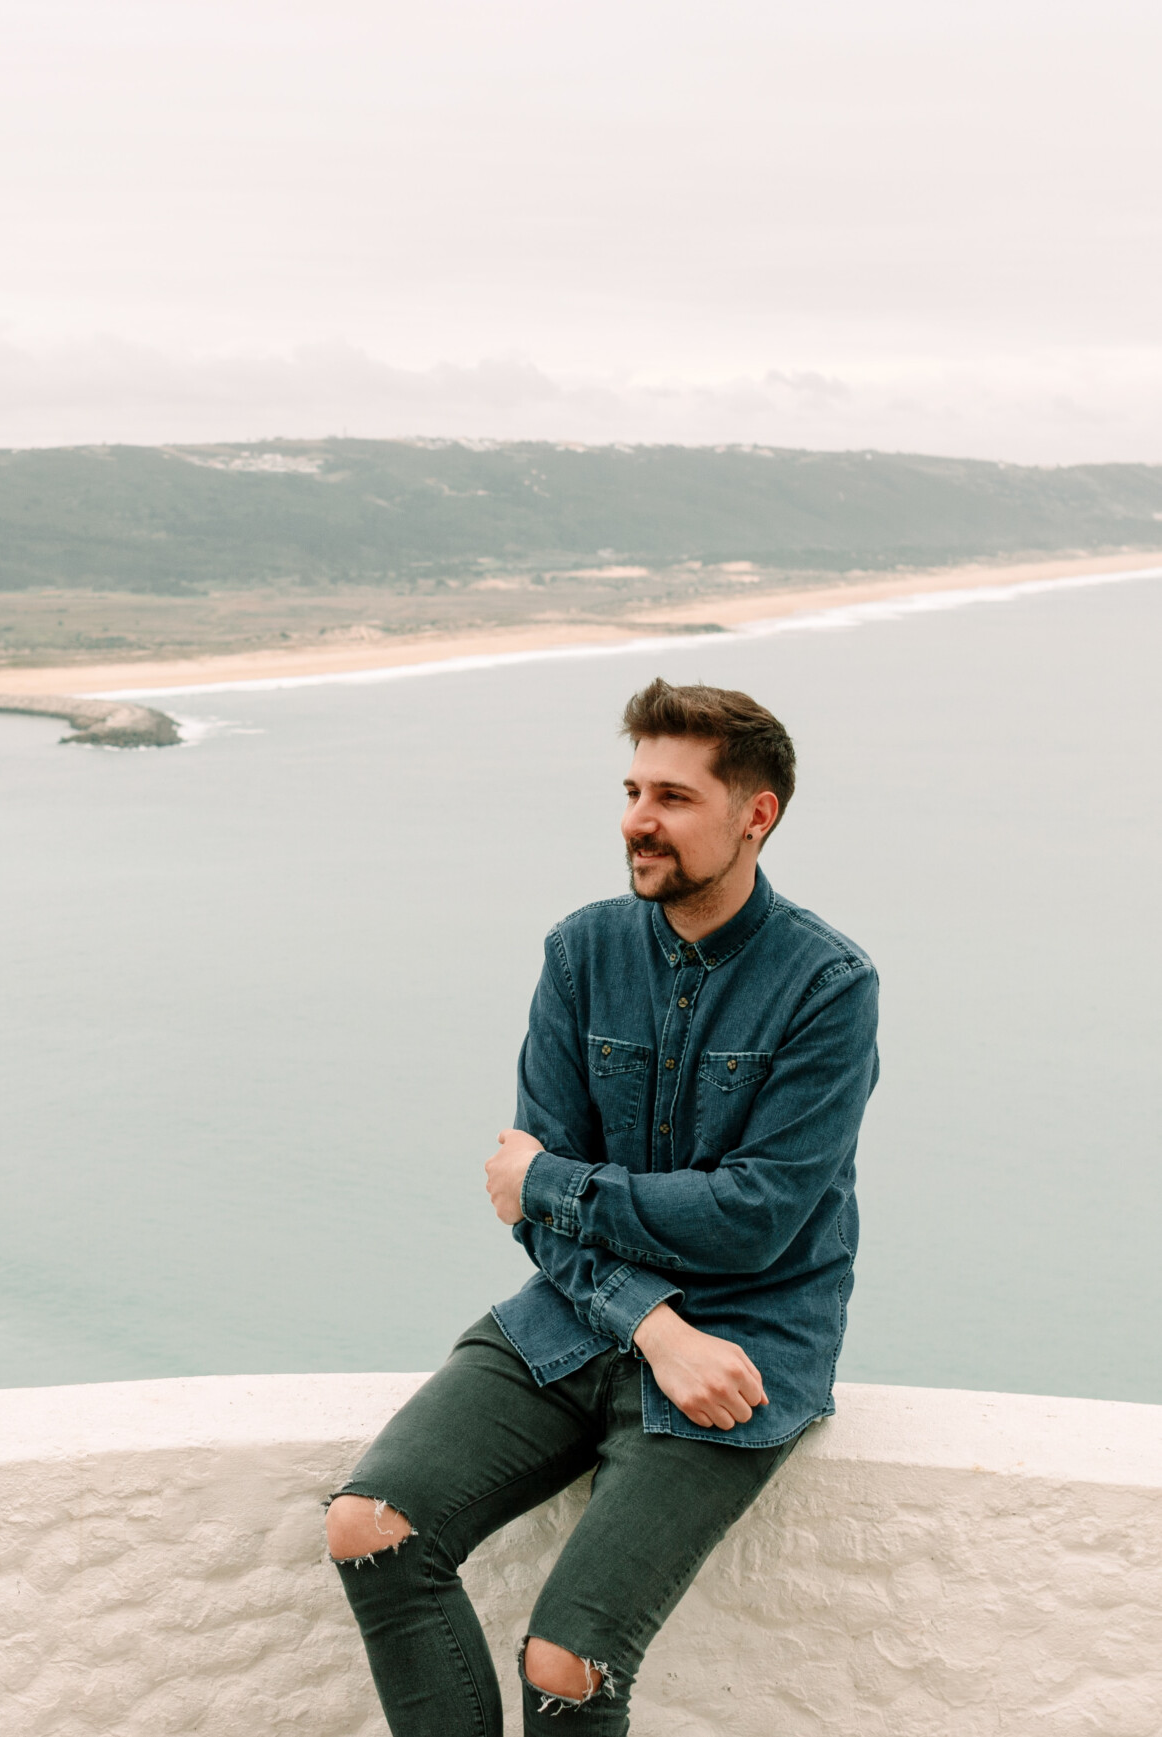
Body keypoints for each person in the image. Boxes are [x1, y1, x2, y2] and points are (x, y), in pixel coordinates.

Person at [324, 678, 879, 1734]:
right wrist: (648, 1320)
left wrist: (549, 1187)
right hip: (579, 1317)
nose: (636, 819)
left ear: (752, 813)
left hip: (743, 1352)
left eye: (670, 795)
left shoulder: (826, 985)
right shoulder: (579, 952)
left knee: (565, 1663)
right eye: (630, 790)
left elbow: (751, 1216)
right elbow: (538, 1215)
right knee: (370, 1525)